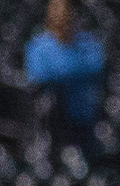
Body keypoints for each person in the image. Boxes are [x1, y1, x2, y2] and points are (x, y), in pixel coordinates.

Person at [23, 0, 103, 157]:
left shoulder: (88, 44)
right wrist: (72, 74)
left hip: (81, 119)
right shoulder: (39, 46)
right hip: (49, 123)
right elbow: (37, 75)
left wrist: (59, 74)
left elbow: (95, 66)